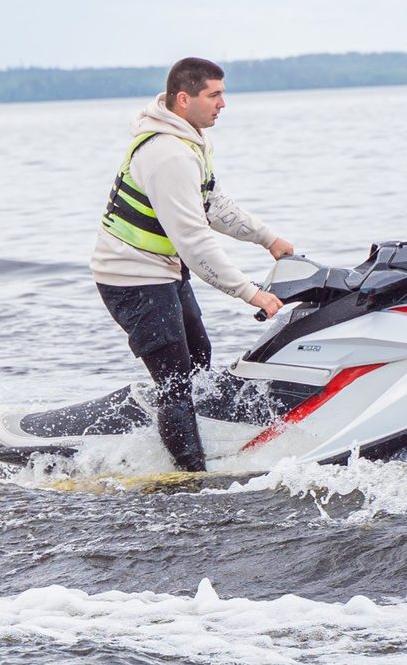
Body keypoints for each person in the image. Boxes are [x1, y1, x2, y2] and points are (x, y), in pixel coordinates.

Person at [89, 56, 296, 472]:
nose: (223, 104)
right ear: (183, 99)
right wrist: (251, 292)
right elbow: (195, 242)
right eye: (214, 95)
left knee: (199, 356)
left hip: (159, 271)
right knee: (176, 384)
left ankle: (194, 441)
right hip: (131, 279)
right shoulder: (168, 154)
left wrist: (268, 238)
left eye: (223, 94)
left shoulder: (190, 140)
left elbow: (210, 204)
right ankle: (190, 478)